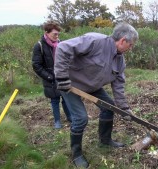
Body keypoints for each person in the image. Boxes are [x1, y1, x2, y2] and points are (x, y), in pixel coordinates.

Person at [54, 22, 138, 168]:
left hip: (92, 86)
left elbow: (118, 86)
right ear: (123, 40)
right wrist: (61, 77)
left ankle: (105, 140)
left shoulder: (120, 60)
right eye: (131, 45)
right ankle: (77, 154)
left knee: (109, 107)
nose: (131, 48)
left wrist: (124, 108)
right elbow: (63, 47)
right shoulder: (95, 41)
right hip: (70, 85)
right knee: (80, 118)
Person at [32, 21, 72, 129]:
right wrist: (49, 77)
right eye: (55, 34)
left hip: (62, 76)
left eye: (58, 34)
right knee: (55, 100)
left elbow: (67, 59)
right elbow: (36, 65)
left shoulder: (61, 43)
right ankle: (57, 121)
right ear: (47, 33)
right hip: (50, 78)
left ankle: (70, 117)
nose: (57, 36)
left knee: (65, 98)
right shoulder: (39, 46)